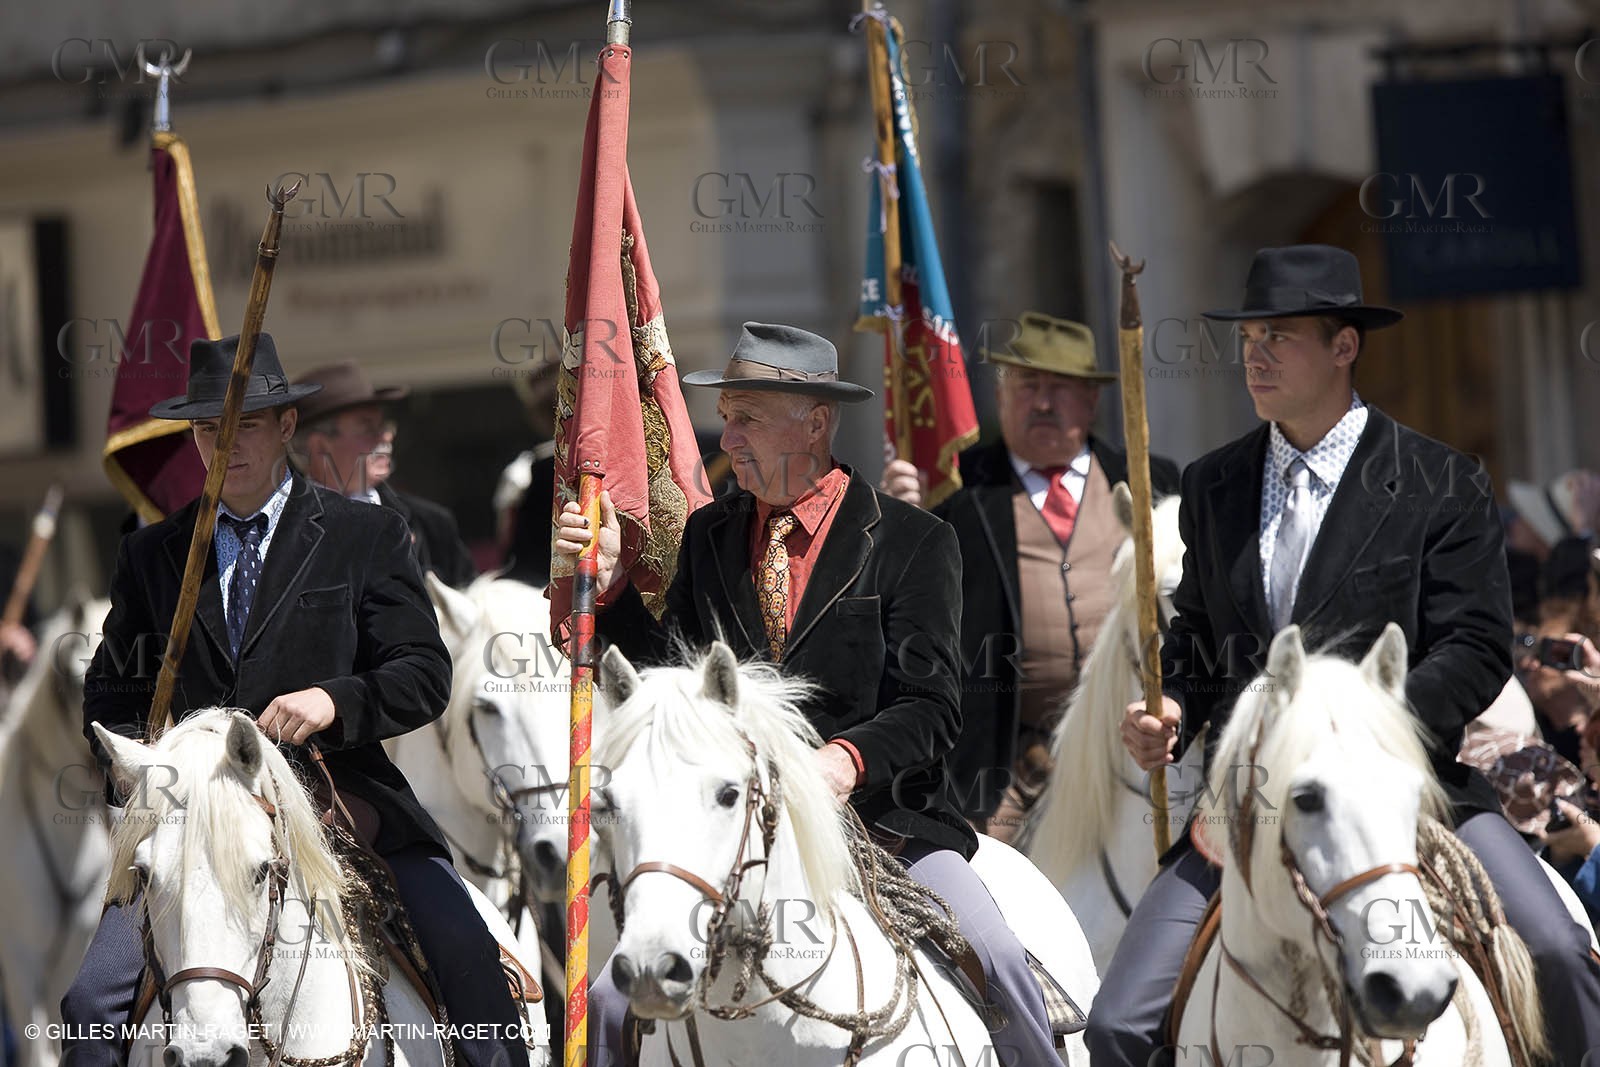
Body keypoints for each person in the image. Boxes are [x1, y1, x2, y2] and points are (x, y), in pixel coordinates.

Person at [1088, 245, 1600, 1066]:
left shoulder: (1441, 480)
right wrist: (1174, 707)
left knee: (1559, 955)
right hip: (1248, 803)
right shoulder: (1217, 483)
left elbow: (1476, 645)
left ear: (1344, 346)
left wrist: (1365, 731)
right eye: (1249, 334)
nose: (1255, 353)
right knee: (1117, 1023)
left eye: (1280, 335)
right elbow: (1194, 635)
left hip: (1413, 793)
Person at [555, 322, 1060, 1063]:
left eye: (746, 416)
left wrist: (846, 760)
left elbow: (933, 706)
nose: (726, 438)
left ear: (816, 421)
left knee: (1002, 962)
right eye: (726, 415)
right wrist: (607, 593)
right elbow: (674, 684)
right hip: (739, 835)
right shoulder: (708, 535)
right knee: (604, 1001)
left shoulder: (915, 540)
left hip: (886, 826)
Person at [64, 335, 526, 1067]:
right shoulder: (153, 554)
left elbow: (422, 671)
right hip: (192, 812)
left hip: (342, 796)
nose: (226, 443)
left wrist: (334, 699)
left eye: (245, 425)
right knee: (89, 1005)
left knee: (469, 961)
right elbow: (112, 691)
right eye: (210, 428)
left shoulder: (363, 534)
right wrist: (144, 762)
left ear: (286, 427)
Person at [881, 311, 1179, 838]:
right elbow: (901, 607)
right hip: (1004, 768)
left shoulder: (1153, 480)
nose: (1043, 402)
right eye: (1027, 385)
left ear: (1091, 399)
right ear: (1000, 396)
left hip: (1130, 755)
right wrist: (899, 517)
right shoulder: (954, 489)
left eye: (1061, 387)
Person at [291, 360, 476, 587]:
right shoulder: (280, 529)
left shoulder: (431, 525)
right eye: (368, 428)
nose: (386, 437)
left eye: (384, 426)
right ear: (320, 446)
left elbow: (470, 614)